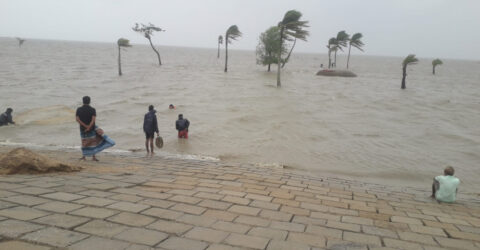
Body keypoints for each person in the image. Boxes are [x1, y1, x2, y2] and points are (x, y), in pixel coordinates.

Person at [76, 96, 115, 161]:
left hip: (82, 128)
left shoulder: (79, 109)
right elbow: (93, 120)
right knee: (93, 142)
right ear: (89, 101)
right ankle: (93, 157)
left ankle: (84, 157)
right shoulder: (92, 109)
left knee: (84, 142)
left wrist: (85, 126)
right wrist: (89, 127)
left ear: (83, 101)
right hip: (92, 128)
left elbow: (77, 119)